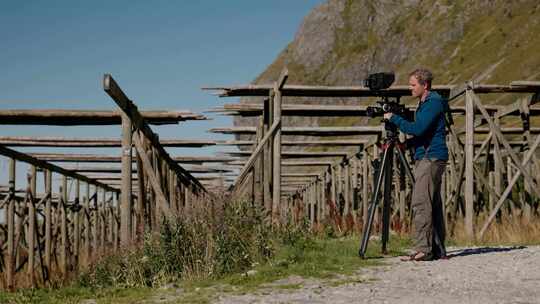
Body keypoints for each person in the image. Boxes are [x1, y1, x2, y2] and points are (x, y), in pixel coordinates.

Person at [383, 68, 448, 261]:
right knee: (432, 204)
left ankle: (423, 249)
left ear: (424, 85)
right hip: (429, 156)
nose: (410, 88)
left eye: (413, 85)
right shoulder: (426, 103)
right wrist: (407, 144)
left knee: (421, 202)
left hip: (431, 158)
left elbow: (418, 129)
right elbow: (427, 133)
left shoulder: (432, 103)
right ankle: (437, 249)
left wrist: (393, 118)